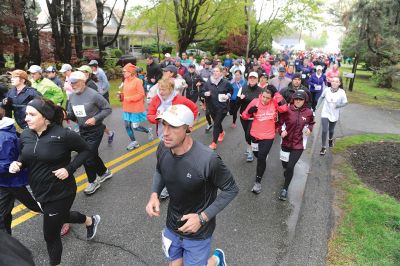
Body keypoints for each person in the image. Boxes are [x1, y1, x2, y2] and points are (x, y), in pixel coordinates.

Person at [9, 98, 100, 266]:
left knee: (50, 235)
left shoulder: (63, 135)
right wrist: (19, 163)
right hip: (39, 191)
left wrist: (70, 168)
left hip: (61, 191)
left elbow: (86, 150)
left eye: (32, 114)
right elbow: (26, 154)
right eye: (26, 114)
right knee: (60, 216)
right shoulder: (26, 134)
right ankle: (90, 220)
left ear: (45, 117)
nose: (26, 118)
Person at [145, 104, 239, 266]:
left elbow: (231, 189)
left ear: (188, 128)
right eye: (164, 125)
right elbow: (160, 170)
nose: (165, 133)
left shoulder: (208, 160)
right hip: (172, 223)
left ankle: (217, 259)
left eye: (173, 127)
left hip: (198, 230)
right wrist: (154, 194)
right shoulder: (163, 147)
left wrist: (202, 218)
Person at [147, 78, 198, 200]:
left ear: (170, 89)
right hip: (162, 136)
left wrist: (188, 127)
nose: (161, 91)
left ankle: (178, 183)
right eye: (160, 89)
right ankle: (167, 184)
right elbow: (150, 115)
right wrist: (159, 118)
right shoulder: (156, 99)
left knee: (176, 160)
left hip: (178, 137)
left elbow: (194, 109)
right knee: (165, 161)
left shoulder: (179, 99)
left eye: (163, 89)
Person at [66, 71, 112, 195]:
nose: (73, 85)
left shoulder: (94, 95)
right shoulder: (71, 96)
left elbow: (107, 109)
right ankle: (104, 172)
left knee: (87, 156)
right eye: (71, 83)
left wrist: (95, 119)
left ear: (82, 81)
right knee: (92, 154)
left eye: (75, 82)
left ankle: (93, 181)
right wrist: (65, 115)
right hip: (82, 130)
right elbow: (70, 113)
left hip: (96, 130)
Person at [0, 103, 42, 235]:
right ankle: (8, 246)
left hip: (17, 182)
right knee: (2, 214)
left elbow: (9, 164)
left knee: (39, 207)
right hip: (4, 183)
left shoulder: (4, 138)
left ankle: (67, 218)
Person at [241, 86, 288, 194]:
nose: (265, 100)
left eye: (268, 98)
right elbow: (244, 116)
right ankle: (262, 156)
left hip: (268, 136)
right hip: (255, 134)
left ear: (271, 98)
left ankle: (257, 183)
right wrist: (249, 112)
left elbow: (284, 108)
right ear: (261, 95)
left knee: (261, 158)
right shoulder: (255, 102)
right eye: (263, 97)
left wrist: (276, 93)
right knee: (257, 154)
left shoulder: (275, 103)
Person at [277, 91, 314, 200]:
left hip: (299, 144)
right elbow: (280, 123)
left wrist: (309, 129)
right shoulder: (287, 110)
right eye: (296, 99)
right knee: (285, 165)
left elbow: (311, 123)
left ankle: (285, 189)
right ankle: (288, 173)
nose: (298, 101)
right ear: (293, 99)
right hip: (285, 142)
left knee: (290, 166)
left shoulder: (309, 112)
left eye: (301, 99)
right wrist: (281, 131)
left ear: (304, 101)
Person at [121, 63, 154, 150]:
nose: (123, 73)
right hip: (126, 107)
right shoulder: (125, 80)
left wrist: (128, 98)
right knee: (127, 125)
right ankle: (134, 142)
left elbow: (141, 94)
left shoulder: (137, 81)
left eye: (124, 71)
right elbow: (126, 93)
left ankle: (148, 131)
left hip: (135, 108)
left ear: (130, 72)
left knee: (135, 127)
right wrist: (121, 96)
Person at [200, 66, 233, 150]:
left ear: (221, 73)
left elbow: (231, 91)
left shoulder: (225, 83)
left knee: (216, 124)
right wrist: (205, 94)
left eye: (217, 71)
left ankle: (214, 143)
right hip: (211, 107)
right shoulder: (208, 83)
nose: (215, 73)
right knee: (217, 122)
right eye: (214, 71)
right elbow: (201, 92)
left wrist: (228, 95)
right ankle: (221, 132)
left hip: (222, 108)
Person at [316, 77, 347, 155]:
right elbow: (321, 98)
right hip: (325, 112)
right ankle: (323, 147)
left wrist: (338, 106)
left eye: (336, 82)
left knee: (331, 130)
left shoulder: (342, 92)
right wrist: (316, 107)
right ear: (331, 82)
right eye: (333, 81)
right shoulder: (326, 90)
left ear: (339, 83)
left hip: (334, 113)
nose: (334, 83)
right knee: (324, 130)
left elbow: (345, 103)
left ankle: (330, 139)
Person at [88, 60, 115, 144]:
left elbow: (106, 82)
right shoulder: (90, 74)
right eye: (90, 66)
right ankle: (109, 133)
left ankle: (106, 110)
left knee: (103, 107)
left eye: (92, 66)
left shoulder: (100, 72)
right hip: (96, 92)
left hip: (102, 91)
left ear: (96, 66)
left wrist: (102, 90)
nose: (91, 68)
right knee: (95, 121)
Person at [238, 72, 262, 162]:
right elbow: (236, 103)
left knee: (249, 134)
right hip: (243, 116)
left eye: (254, 78)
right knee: (246, 134)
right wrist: (240, 99)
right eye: (250, 78)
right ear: (248, 79)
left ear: (257, 79)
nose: (252, 79)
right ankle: (249, 148)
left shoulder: (261, 91)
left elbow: (264, 104)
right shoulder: (242, 88)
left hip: (254, 117)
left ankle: (250, 151)